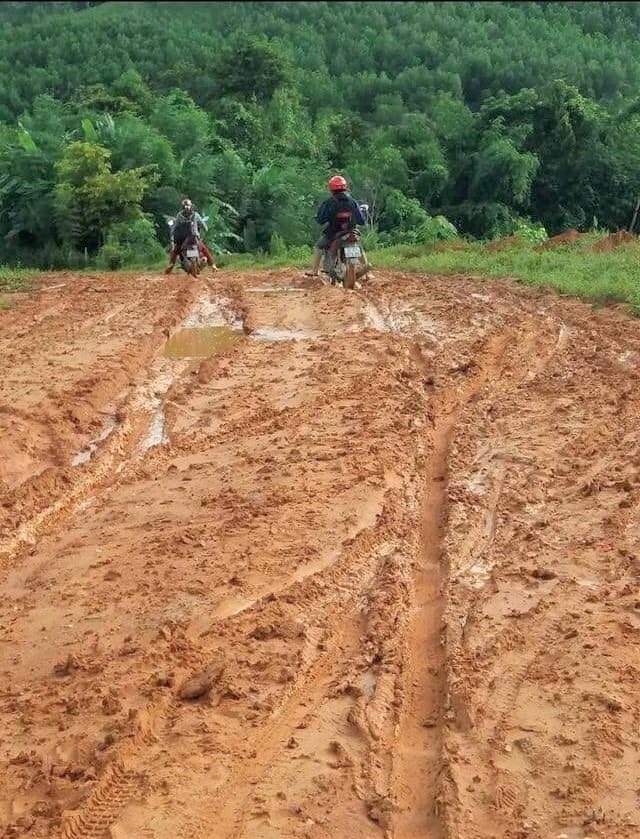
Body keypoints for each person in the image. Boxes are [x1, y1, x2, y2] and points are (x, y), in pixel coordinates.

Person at [306, 175, 370, 279]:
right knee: (359, 247)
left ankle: (314, 271)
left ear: (331, 189)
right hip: (351, 231)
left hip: (333, 233)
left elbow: (321, 220)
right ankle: (367, 274)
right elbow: (361, 221)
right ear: (345, 187)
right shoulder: (352, 201)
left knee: (318, 246)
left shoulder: (329, 203)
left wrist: (318, 218)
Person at [165, 198, 218, 274]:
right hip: (194, 237)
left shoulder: (179, 215)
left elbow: (175, 227)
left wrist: (172, 234)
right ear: (191, 206)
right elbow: (204, 227)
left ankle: (171, 265)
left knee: (175, 250)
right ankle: (213, 265)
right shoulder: (195, 215)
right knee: (204, 249)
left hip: (182, 239)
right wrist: (202, 234)